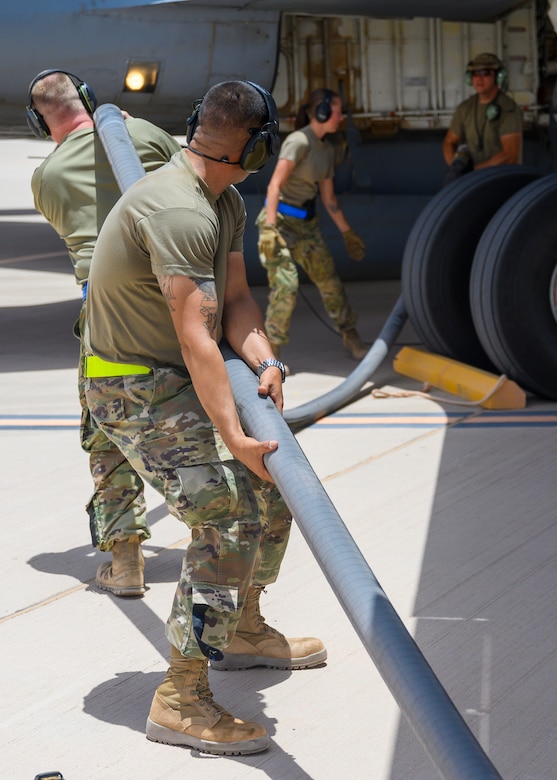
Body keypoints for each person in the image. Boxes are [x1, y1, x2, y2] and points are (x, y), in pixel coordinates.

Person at [84, 80, 326, 755]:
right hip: (128, 383)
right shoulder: (178, 210)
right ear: (253, 145)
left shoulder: (223, 200)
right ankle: (180, 698)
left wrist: (265, 356)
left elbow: (238, 301)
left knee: (270, 481)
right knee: (226, 512)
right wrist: (232, 433)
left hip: (169, 372)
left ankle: (242, 625)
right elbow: (195, 335)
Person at [28, 69, 182, 596]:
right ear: (92, 100)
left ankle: (126, 560)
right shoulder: (145, 137)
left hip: (108, 320)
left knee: (108, 434)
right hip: (176, 302)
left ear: (39, 121)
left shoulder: (45, 178)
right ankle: (225, 545)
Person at [256, 87, 368, 365]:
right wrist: (270, 228)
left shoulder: (326, 150)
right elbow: (275, 185)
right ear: (322, 112)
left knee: (329, 280)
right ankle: (273, 351)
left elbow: (329, 200)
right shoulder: (299, 142)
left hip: (307, 226)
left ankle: (349, 334)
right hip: (280, 223)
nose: (341, 116)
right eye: (338, 110)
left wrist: (347, 233)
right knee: (286, 285)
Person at [442, 52, 523, 182]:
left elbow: (510, 155)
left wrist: (473, 172)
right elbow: (449, 142)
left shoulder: (508, 108)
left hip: (502, 180)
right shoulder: (465, 108)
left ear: (498, 77)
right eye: (475, 74)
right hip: (474, 181)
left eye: (485, 73)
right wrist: (456, 168)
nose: (479, 79)